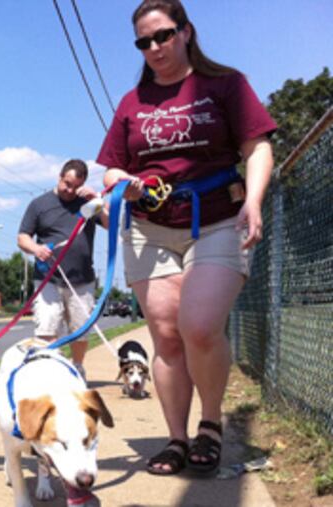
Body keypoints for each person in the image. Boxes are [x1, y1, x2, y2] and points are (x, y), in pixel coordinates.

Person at [97, 0, 276, 475]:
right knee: (166, 334)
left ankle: (211, 425)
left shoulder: (225, 84)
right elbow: (113, 165)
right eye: (144, 41)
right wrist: (123, 182)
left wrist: (254, 200)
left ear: (186, 32)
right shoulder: (133, 103)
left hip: (217, 219)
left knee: (198, 326)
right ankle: (176, 438)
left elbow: (257, 145)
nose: (154, 47)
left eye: (163, 35)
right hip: (150, 227)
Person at [17, 159, 108, 378]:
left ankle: (77, 366)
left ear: (83, 184)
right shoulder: (39, 204)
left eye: (76, 186)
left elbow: (109, 224)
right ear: (59, 177)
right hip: (47, 278)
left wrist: (98, 201)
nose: (70, 190)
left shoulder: (87, 204)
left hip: (82, 279)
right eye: (66, 184)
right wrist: (36, 249)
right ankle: (51, 369)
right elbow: (22, 237)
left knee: (81, 329)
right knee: (47, 325)